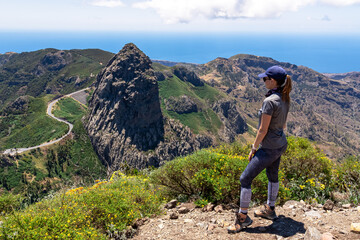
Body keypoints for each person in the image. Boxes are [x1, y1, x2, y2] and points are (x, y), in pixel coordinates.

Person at [228, 65, 292, 233]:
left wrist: (254, 148)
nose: (263, 81)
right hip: (280, 144)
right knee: (272, 175)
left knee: (245, 179)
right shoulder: (284, 97)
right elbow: (283, 124)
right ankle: (270, 210)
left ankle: (243, 218)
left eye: (265, 79)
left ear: (273, 81)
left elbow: (262, 130)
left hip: (269, 147)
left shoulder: (269, 101)